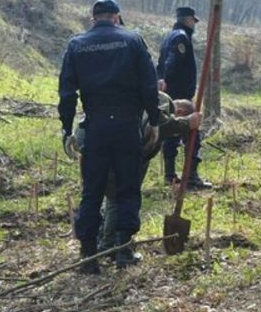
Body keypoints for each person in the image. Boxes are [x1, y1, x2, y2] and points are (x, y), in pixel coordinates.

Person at [59, 0, 159, 273]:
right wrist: (154, 120)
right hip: (127, 126)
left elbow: (67, 93)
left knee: (92, 190)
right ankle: (123, 249)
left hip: (96, 126)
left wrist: (66, 129)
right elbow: (149, 85)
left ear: (93, 19)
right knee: (127, 188)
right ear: (116, 17)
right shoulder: (133, 41)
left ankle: (88, 254)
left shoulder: (77, 45)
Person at [75, 92, 202, 259]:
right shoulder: (163, 101)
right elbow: (160, 123)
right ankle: (111, 246)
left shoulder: (141, 95)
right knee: (117, 195)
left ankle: (99, 242)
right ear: (180, 112)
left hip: (91, 135)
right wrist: (187, 123)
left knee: (102, 193)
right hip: (111, 141)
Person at [158, 6, 211, 189]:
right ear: (188, 20)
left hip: (169, 93)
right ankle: (191, 176)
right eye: (193, 21)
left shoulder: (168, 36)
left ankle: (170, 175)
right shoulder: (181, 37)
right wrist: (167, 80)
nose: (194, 25)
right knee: (192, 129)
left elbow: (160, 65)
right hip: (179, 93)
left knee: (170, 132)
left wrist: (161, 81)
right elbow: (172, 62)